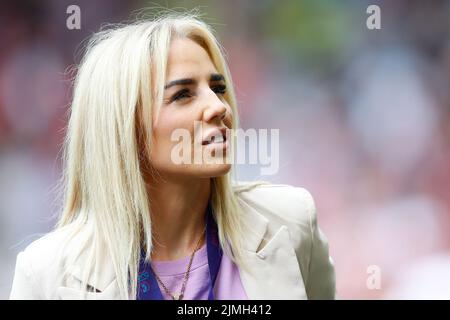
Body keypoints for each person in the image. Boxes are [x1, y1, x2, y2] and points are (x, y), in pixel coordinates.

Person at [9, 12, 335, 300]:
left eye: (218, 88)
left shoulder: (290, 222)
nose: (219, 107)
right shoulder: (46, 274)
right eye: (182, 94)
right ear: (124, 125)